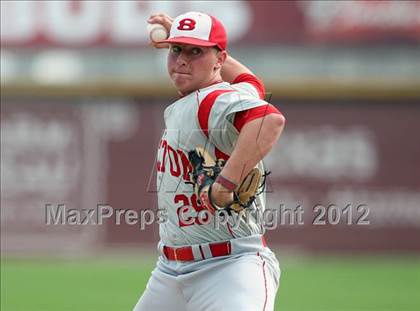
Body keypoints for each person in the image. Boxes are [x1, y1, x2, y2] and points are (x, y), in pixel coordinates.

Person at [133, 11, 286, 311]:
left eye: (195, 52)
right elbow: (249, 81)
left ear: (219, 60)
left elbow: (269, 120)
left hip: (228, 268)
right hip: (170, 272)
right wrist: (186, 35)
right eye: (176, 49)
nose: (182, 60)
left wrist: (225, 183)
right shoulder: (231, 93)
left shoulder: (209, 100)